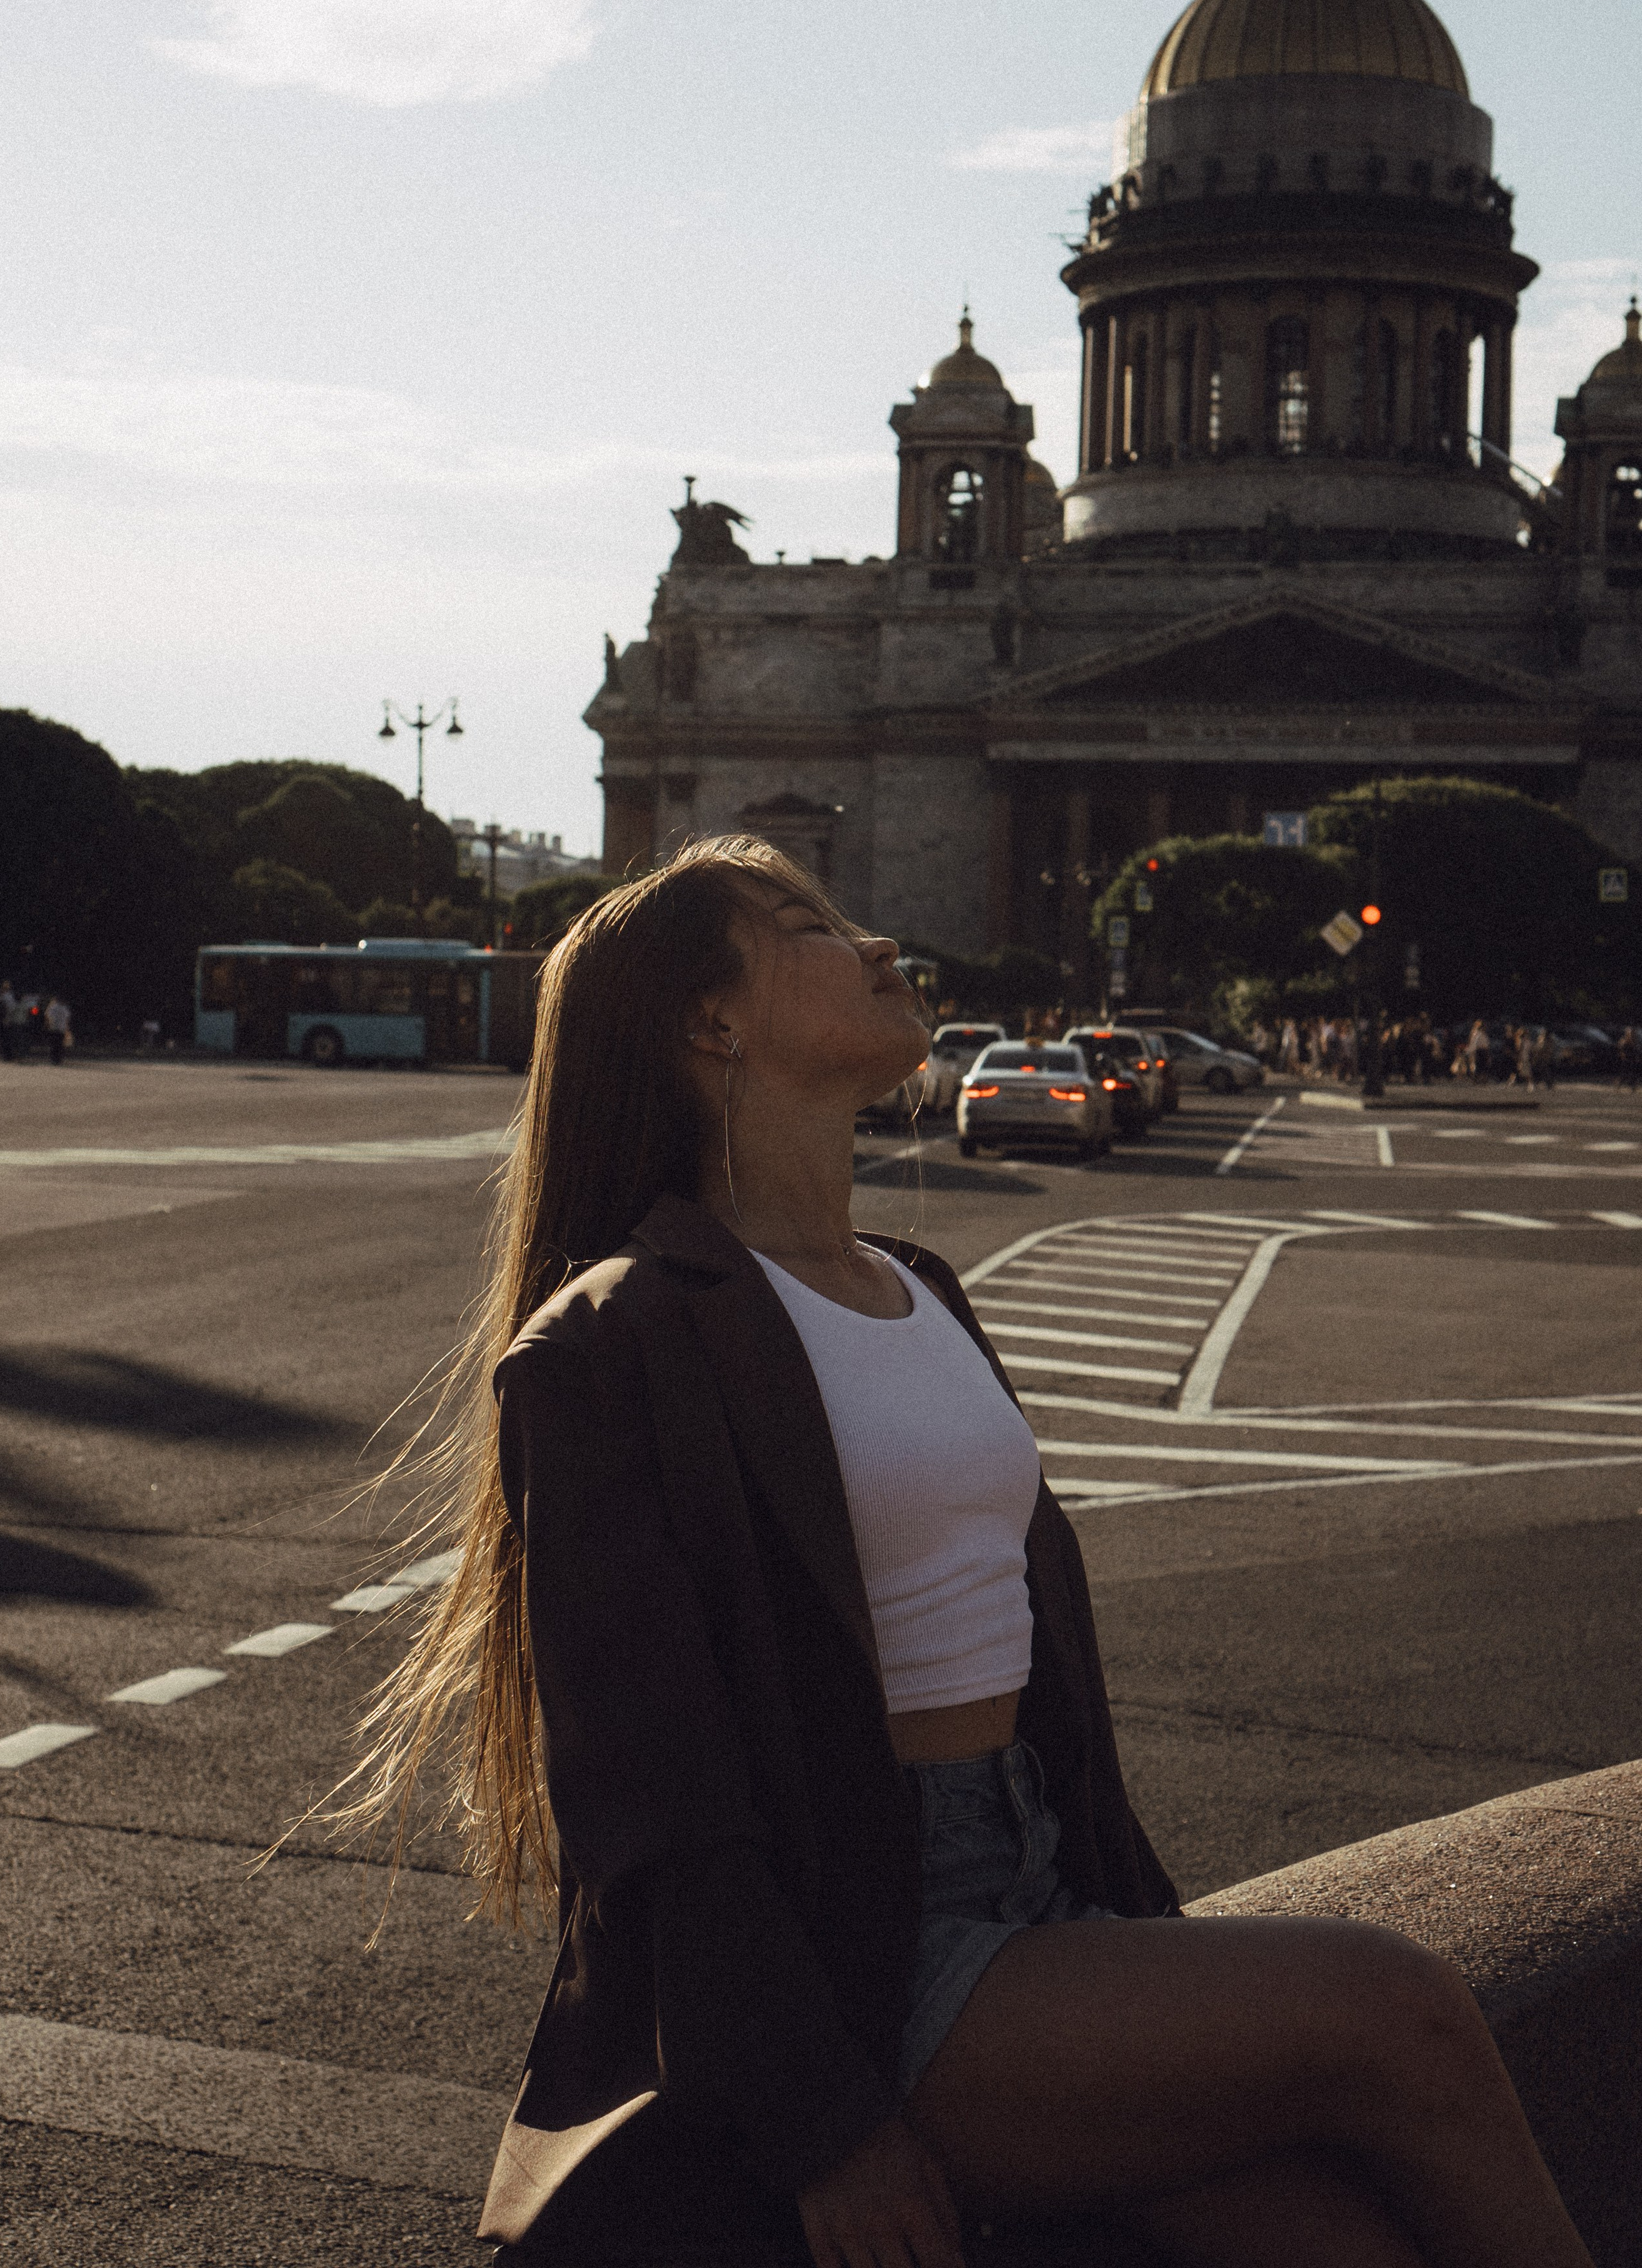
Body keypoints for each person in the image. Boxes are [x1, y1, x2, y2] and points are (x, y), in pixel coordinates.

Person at [341, 836, 1593, 2268]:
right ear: (712, 1021)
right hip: (872, 1953)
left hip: (1040, 1882)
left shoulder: (917, 1286)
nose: (874, 943)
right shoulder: (613, 1340)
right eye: (805, 923)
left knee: (1333, 2239)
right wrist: (826, 2125)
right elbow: (652, 1796)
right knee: (1400, 2007)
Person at [43, 992, 71, 1064]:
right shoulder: (65, 1008)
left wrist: (47, 1025)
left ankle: (53, 1059)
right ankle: (59, 1059)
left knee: (53, 1044)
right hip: (62, 1028)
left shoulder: (52, 1007)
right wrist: (67, 1029)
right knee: (60, 1044)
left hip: (53, 1027)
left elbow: (47, 1016)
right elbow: (67, 1019)